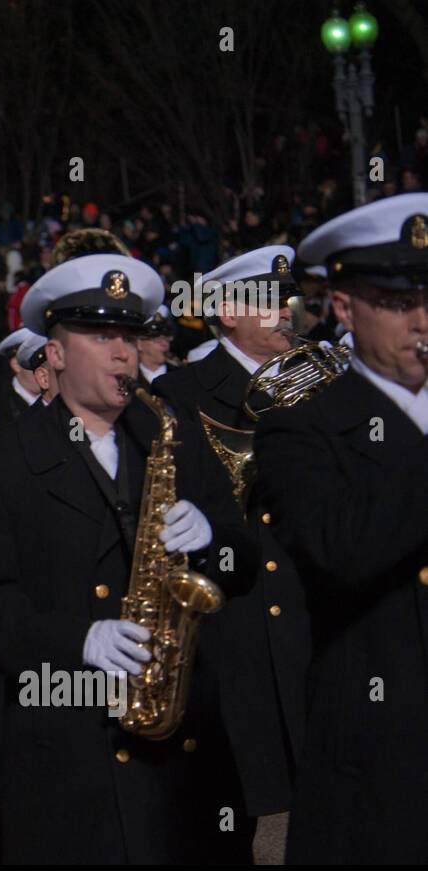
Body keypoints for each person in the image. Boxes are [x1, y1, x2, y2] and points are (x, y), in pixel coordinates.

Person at [0, 254, 256, 863]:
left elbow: (244, 558)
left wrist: (214, 538)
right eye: (101, 336)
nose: (123, 354)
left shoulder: (175, 434)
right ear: (54, 354)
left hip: (183, 753)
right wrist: (76, 640)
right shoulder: (1, 462)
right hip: (63, 752)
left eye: (130, 336)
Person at [255, 194, 428, 863]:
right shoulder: (303, 420)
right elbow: (342, 548)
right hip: (377, 760)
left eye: (427, 295)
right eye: (397, 300)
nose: (421, 318)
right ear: (344, 307)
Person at [154, 246, 311, 826]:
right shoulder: (182, 392)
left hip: (306, 610)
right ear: (226, 312)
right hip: (232, 619)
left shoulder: (313, 378)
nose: (284, 311)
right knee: (249, 808)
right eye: (266, 301)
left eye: (284, 299)